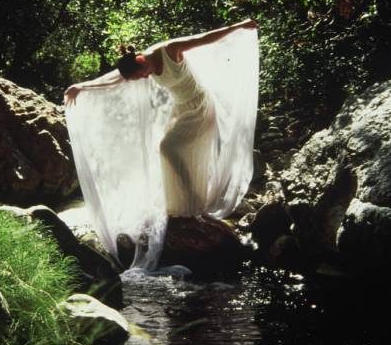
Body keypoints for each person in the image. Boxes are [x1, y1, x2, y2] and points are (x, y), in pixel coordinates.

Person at [64, 18, 258, 217]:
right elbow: (116, 78)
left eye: (142, 74)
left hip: (200, 106)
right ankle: (188, 202)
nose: (145, 78)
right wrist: (82, 86)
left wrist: (239, 26)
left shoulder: (170, 50)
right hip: (181, 109)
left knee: (168, 148)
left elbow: (205, 38)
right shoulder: (139, 64)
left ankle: (193, 200)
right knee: (176, 152)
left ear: (141, 60)